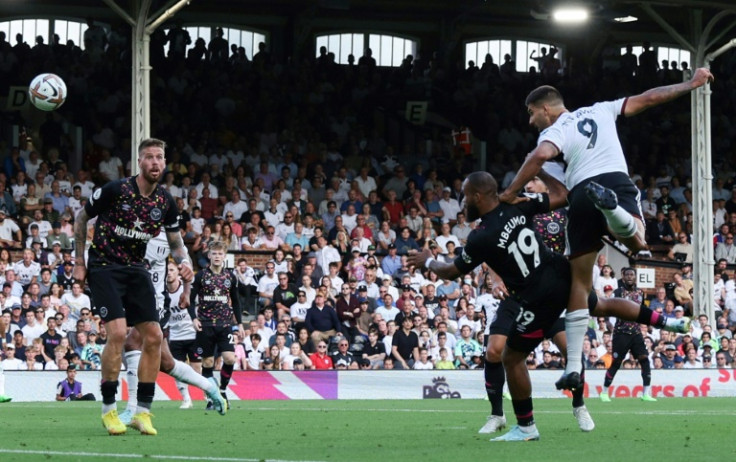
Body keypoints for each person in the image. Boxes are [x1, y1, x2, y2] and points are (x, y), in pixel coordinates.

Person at [406, 172, 689, 441]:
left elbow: (452, 271)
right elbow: (563, 195)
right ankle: (666, 322)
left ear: (478, 196)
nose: (464, 201)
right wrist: (546, 169)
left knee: (512, 357)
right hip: (560, 273)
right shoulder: (518, 205)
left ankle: (527, 426)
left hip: (537, 296)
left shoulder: (481, 236)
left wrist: (428, 261)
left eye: (466, 196)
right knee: (599, 305)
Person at [498, 67, 713, 389]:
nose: (531, 121)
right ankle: (613, 210)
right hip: (612, 181)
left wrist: (511, 192)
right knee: (639, 243)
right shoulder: (601, 109)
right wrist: (691, 84)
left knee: (580, 286)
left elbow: (542, 158)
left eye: (531, 114)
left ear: (546, 109)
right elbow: (648, 98)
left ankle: (572, 367)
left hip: (581, 198)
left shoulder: (552, 134)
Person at [73, 138, 195, 435]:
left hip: (136, 269)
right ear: (139, 162)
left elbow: (176, 242)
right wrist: (79, 260)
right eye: (149, 157)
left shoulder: (166, 202)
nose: (155, 162)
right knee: (117, 333)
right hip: (104, 267)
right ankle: (108, 410)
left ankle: (143, 412)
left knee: (153, 336)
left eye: (160, 158)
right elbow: (81, 217)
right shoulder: (115, 190)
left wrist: (185, 260)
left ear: (165, 163)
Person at [118, 236, 224, 426]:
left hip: (156, 301)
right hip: (139, 297)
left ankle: (132, 409)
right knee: (166, 363)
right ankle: (210, 386)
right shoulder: (132, 228)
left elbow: (184, 260)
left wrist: (187, 290)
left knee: (132, 343)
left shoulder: (166, 230)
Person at [188, 240, 242, 412]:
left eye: (220, 254)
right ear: (209, 255)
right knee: (208, 362)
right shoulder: (201, 276)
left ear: (224, 256)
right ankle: (212, 397)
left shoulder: (230, 277)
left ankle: (223, 390)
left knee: (230, 358)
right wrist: (193, 318)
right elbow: (190, 299)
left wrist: (239, 323)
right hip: (205, 325)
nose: (217, 256)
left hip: (225, 324)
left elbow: (237, 301)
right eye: (214, 253)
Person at [599, 268, 658, 403]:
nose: (630, 277)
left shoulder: (640, 293)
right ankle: (604, 392)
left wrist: (648, 324)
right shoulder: (618, 292)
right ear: (623, 277)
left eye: (632, 275)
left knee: (644, 359)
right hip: (621, 333)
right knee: (617, 362)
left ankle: (645, 394)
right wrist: (607, 321)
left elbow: (643, 311)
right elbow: (606, 306)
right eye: (627, 275)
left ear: (635, 277)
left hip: (636, 333)